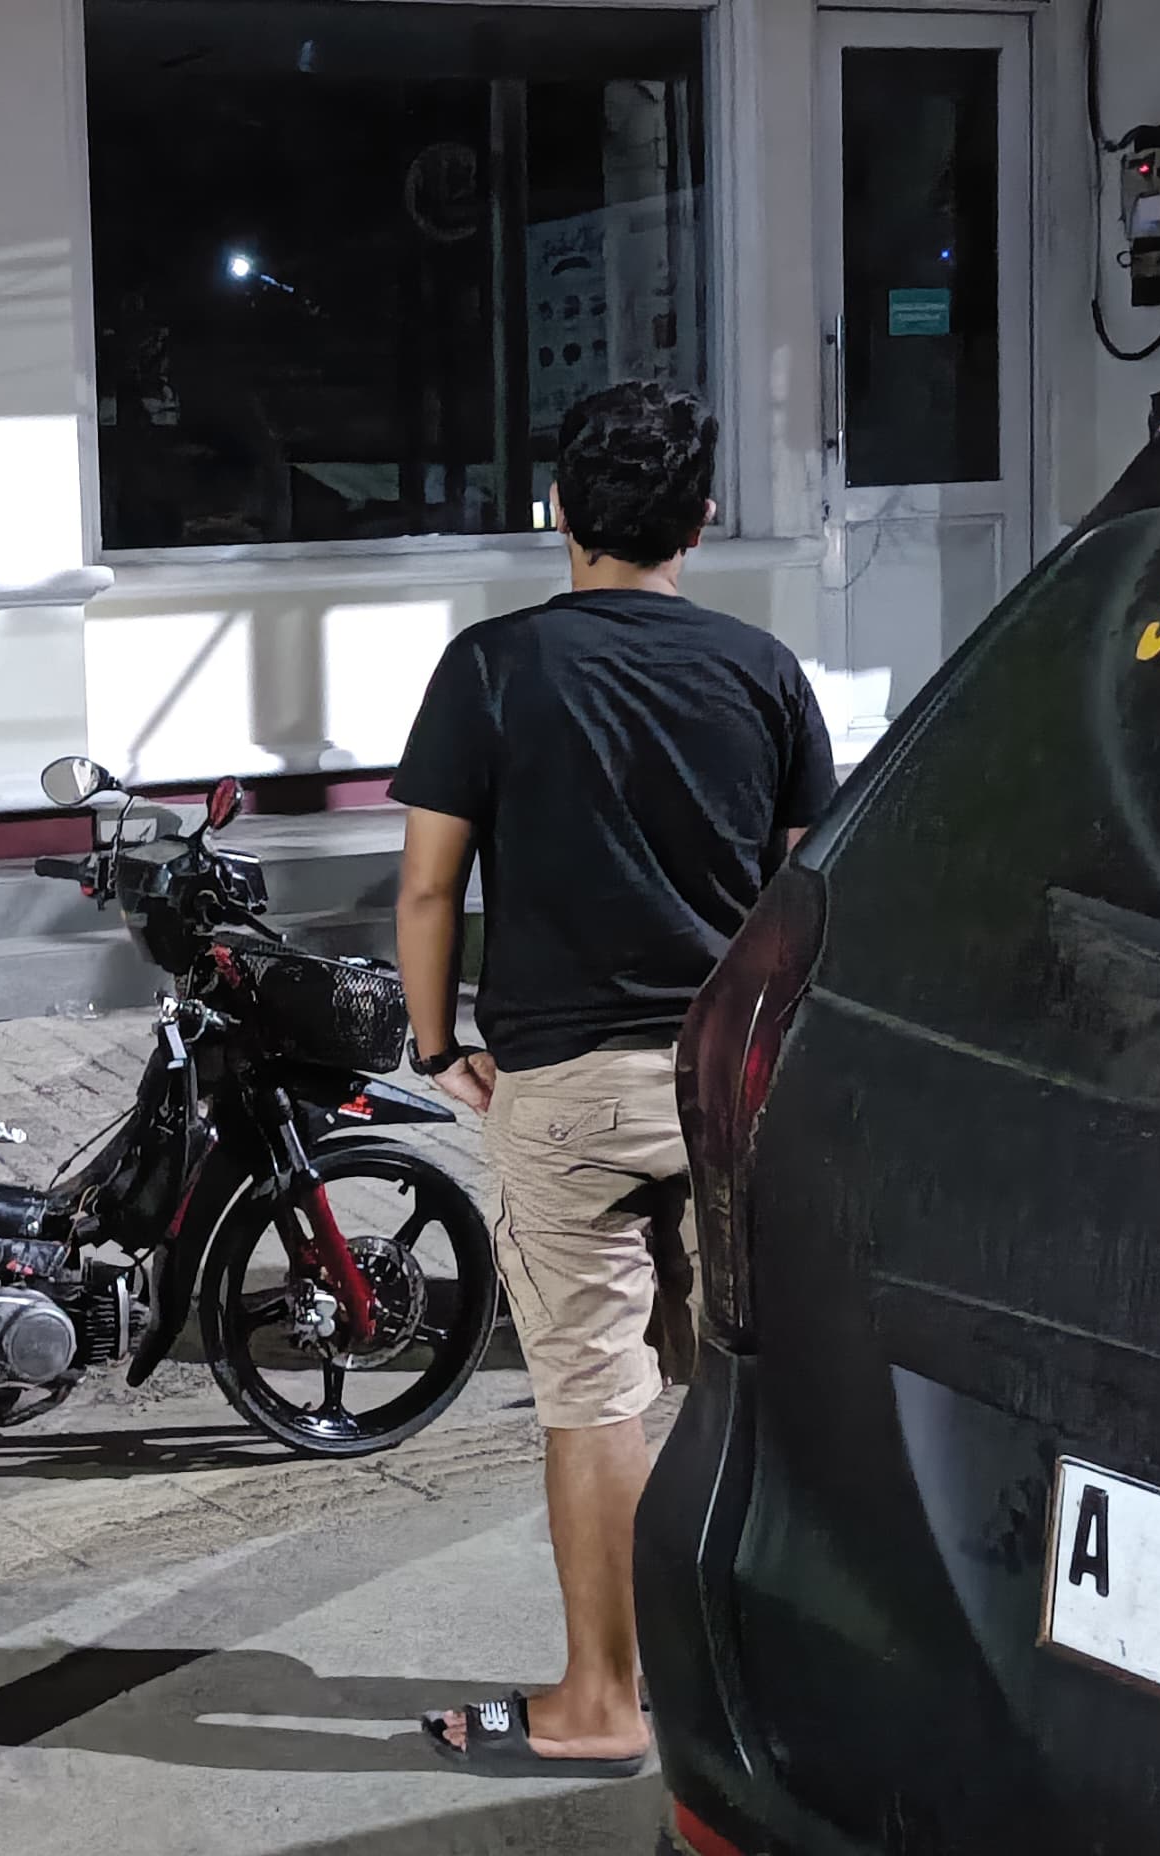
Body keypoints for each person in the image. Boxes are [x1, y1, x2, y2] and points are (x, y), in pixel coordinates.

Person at [388, 384, 835, 1773]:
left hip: (564, 1085)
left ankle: (600, 1703)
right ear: (700, 518)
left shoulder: (491, 667)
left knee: (593, 1392)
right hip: (732, 1083)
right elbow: (809, 894)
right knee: (753, 1386)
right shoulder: (762, 672)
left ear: (559, 514)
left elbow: (428, 888)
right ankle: (774, 1692)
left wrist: (435, 1045)